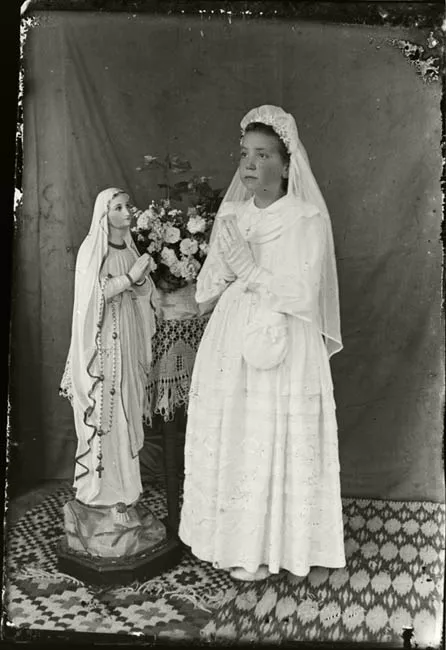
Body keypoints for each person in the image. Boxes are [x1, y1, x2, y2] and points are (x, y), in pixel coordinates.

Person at [179, 105, 345, 581]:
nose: (250, 164)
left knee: (273, 428)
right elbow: (209, 286)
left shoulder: (305, 218)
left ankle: (282, 546)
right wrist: (224, 268)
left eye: (263, 155)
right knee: (236, 427)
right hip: (233, 332)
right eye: (244, 154)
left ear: (287, 165)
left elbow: (303, 293)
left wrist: (250, 269)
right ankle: (236, 542)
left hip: (284, 334)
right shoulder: (232, 215)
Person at [60, 188, 165, 557]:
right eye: (118, 207)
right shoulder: (93, 250)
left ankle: (126, 494)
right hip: (103, 350)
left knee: (126, 415)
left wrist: (143, 281)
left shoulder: (131, 250)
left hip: (127, 347)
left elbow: (144, 296)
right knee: (105, 419)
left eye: (127, 206)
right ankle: (99, 498)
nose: (126, 212)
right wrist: (130, 279)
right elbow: (92, 296)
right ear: (104, 215)